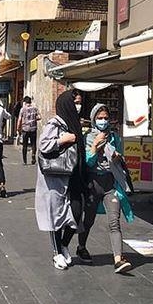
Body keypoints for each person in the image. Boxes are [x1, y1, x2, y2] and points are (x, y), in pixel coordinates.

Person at [36, 89, 86, 270]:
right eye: (75, 103)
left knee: (76, 212)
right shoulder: (56, 123)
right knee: (55, 216)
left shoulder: (75, 124)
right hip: (56, 177)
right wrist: (62, 140)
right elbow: (43, 145)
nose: (78, 106)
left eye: (79, 103)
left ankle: (64, 244)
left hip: (74, 176)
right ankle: (57, 252)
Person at [81, 104, 134, 273]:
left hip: (110, 184)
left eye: (105, 118)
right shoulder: (87, 137)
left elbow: (120, 159)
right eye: (99, 118)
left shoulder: (114, 137)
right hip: (93, 183)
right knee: (88, 220)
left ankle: (118, 259)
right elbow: (88, 162)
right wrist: (95, 147)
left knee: (114, 222)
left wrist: (117, 157)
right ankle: (81, 247)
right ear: (93, 119)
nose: (103, 121)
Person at [17, 96, 40, 165]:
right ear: (30, 102)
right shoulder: (35, 108)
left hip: (25, 129)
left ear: (25, 102)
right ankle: (33, 155)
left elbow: (19, 119)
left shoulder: (22, 109)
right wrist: (34, 119)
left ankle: (25, 161)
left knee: (25, 145)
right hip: (33, 128)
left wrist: (18, 128)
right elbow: (39, 117)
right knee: (33, 144)